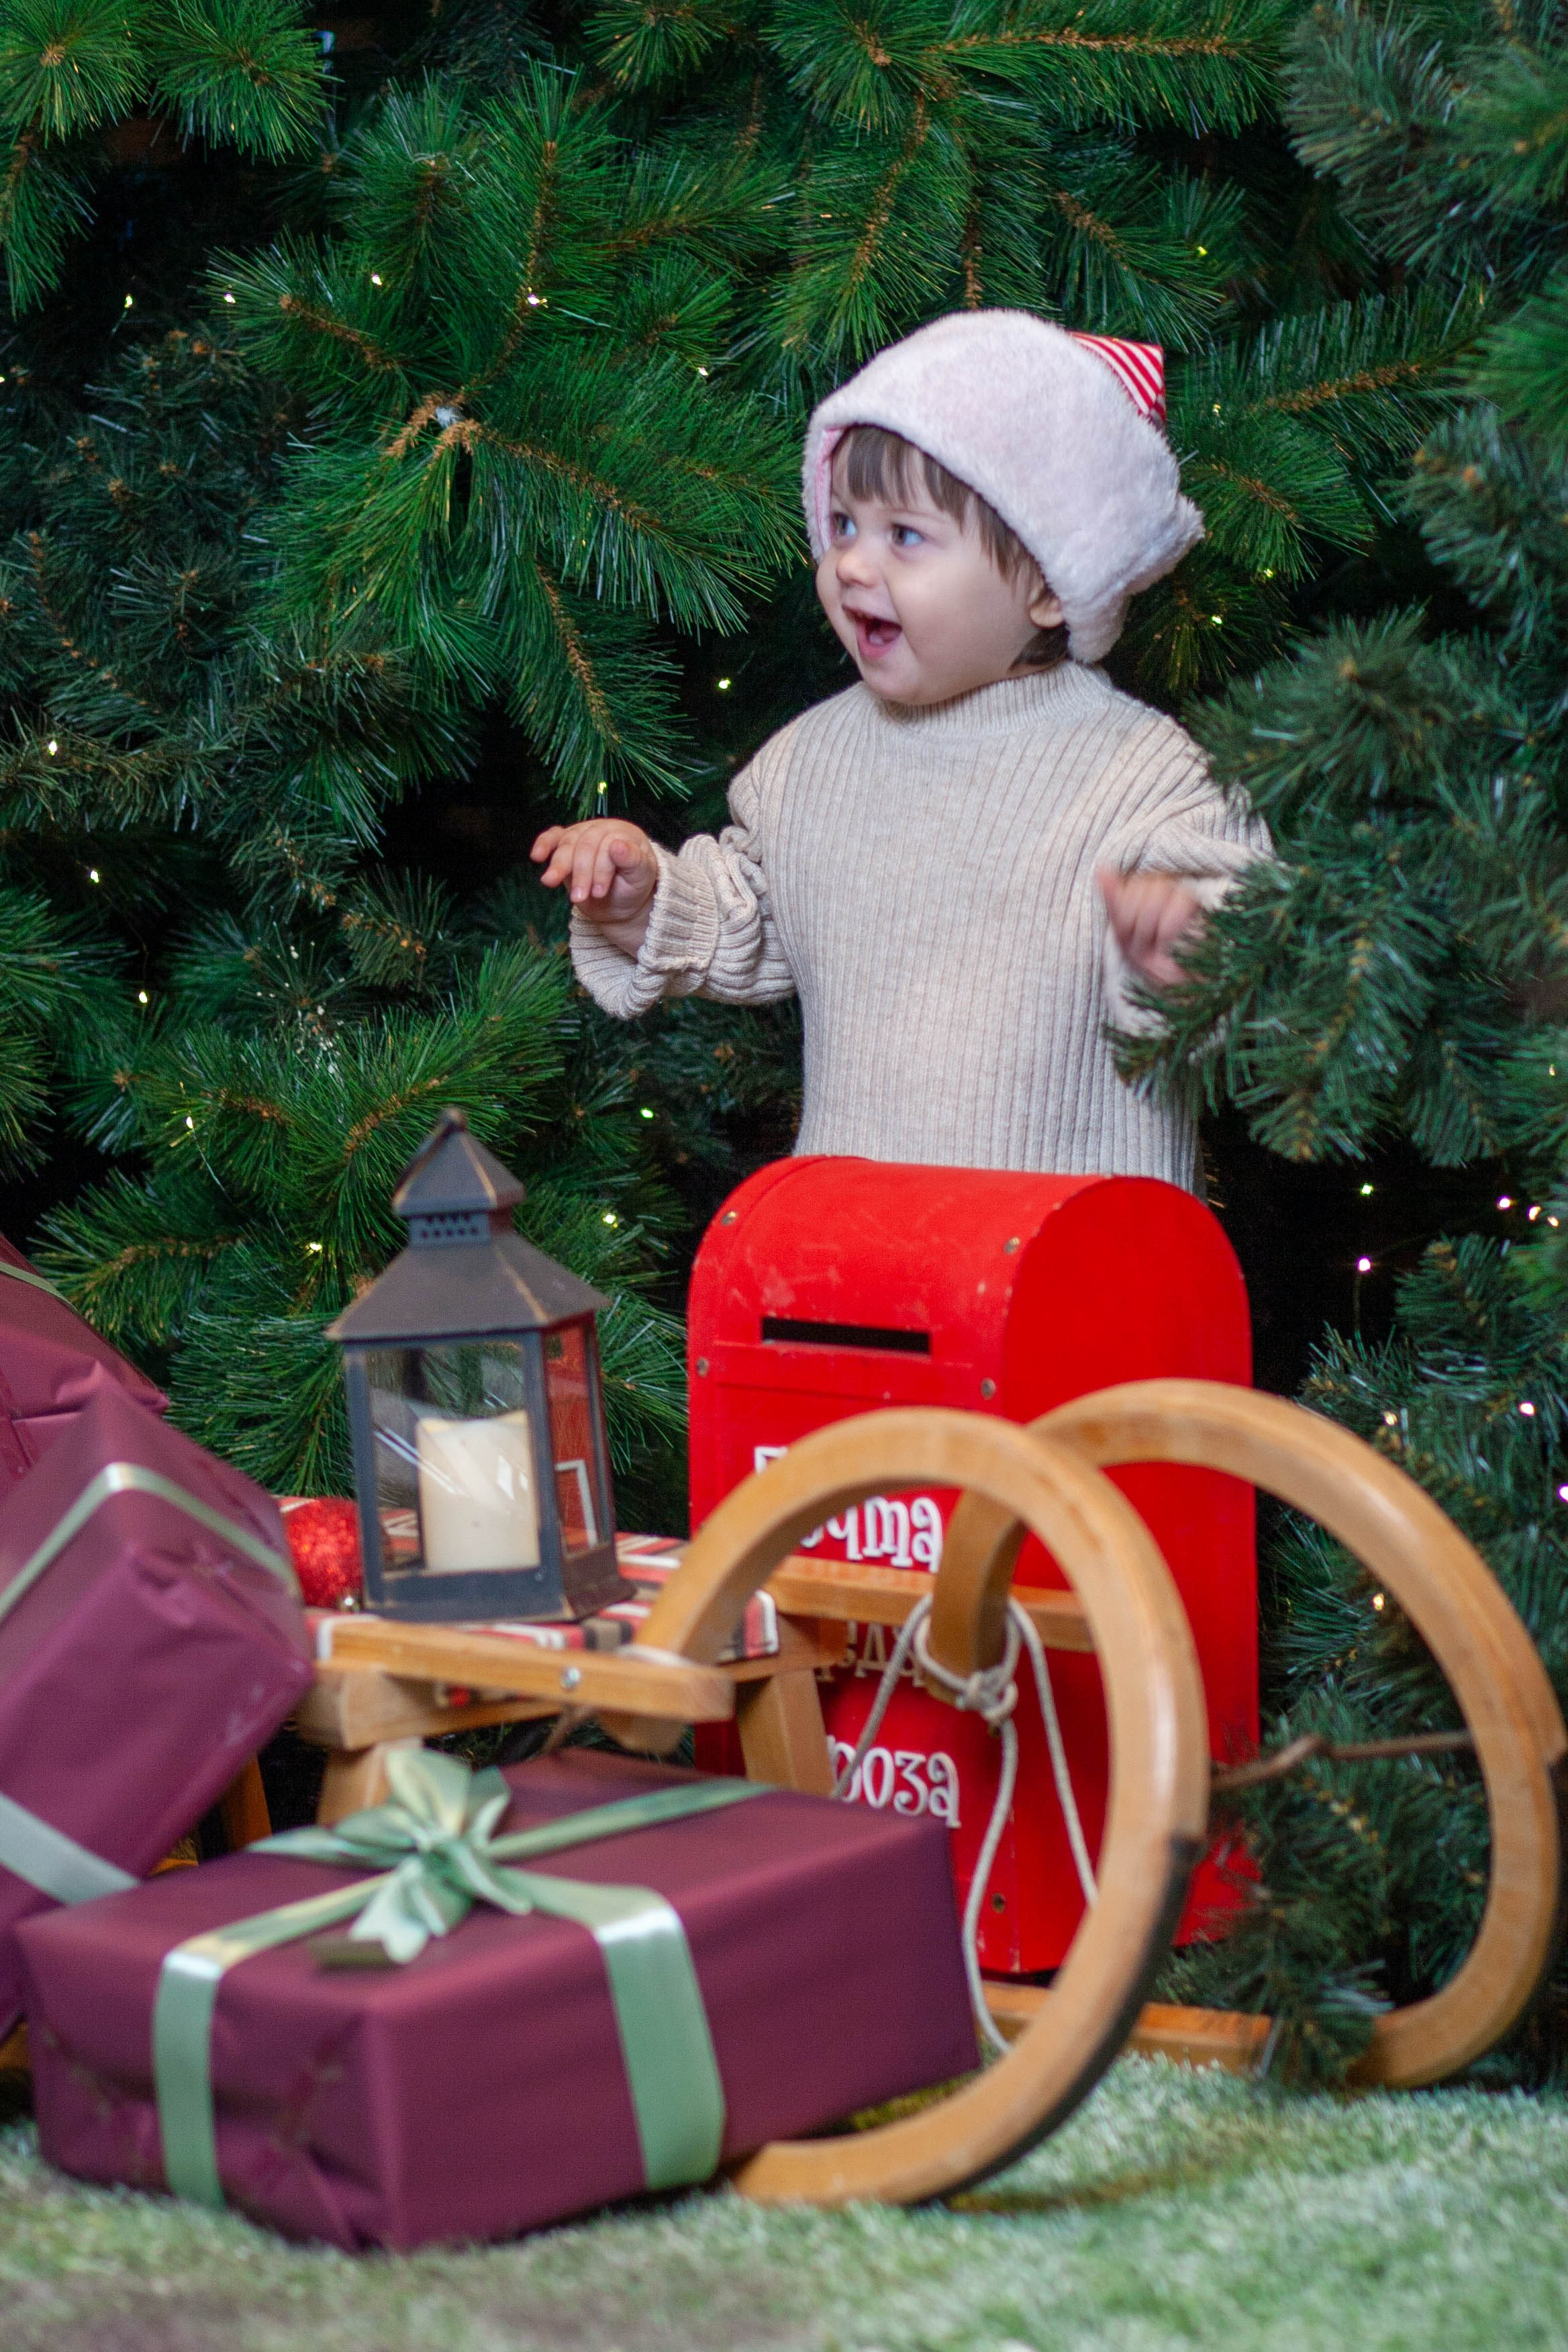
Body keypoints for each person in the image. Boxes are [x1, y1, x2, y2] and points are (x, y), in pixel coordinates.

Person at [532, 311, 1268, 1187]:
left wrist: (1191, 951)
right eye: (842, 524)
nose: (850, 564)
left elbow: (1245, 955)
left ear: (1044, 581)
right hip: (861, 1258)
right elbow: (757, 914)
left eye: (904, 536)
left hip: (1069, 1272)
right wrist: (647, 900)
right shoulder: (812, 762)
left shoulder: (1145, 777)